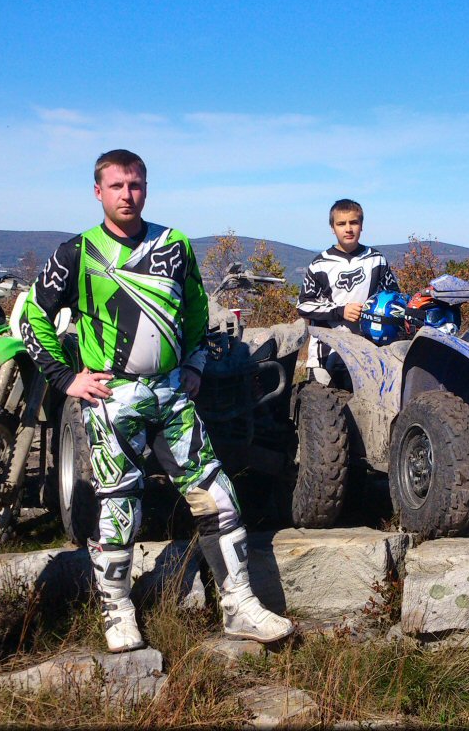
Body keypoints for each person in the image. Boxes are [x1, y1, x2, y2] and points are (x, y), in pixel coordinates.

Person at [19, 149, 294, 653]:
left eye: (136, 185)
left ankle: (239, 606)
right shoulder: (77, 252)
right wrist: (66, 378)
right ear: (98, 191)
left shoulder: (174, 244)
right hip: (112, 397)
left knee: (218, 497)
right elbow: (32, 316)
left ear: (146, 187)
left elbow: (193, 308)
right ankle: (118, 610)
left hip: (170, 393)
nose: (128, 195)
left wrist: (194, 364)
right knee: (118, 507)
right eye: (117, 186)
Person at [297, 198, 400, 385]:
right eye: (341, 224)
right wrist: (340, 311)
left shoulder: (376, 260)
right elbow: (304, 305)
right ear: (332, 228)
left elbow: (394, 298)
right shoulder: (320, 264)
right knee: (322, 410)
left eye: (353, 222)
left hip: (368, 352)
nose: (348, 228)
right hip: (325, 353)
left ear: (361, 225)